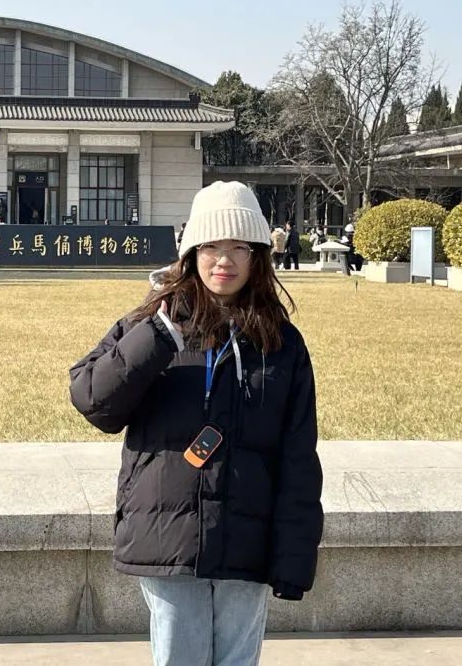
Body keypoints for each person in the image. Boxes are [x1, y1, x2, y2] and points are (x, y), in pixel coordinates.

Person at [69, 180, 323, 666]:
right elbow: (93, 401)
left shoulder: (283, 344)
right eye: (210, 246)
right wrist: (157, 338)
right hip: (168, 537)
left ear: (257, 257)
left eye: (238, 247)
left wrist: (294, 554)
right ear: (190, 252)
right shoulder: (150, 325)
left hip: (247, 540)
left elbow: (298, 455)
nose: (223, 260)